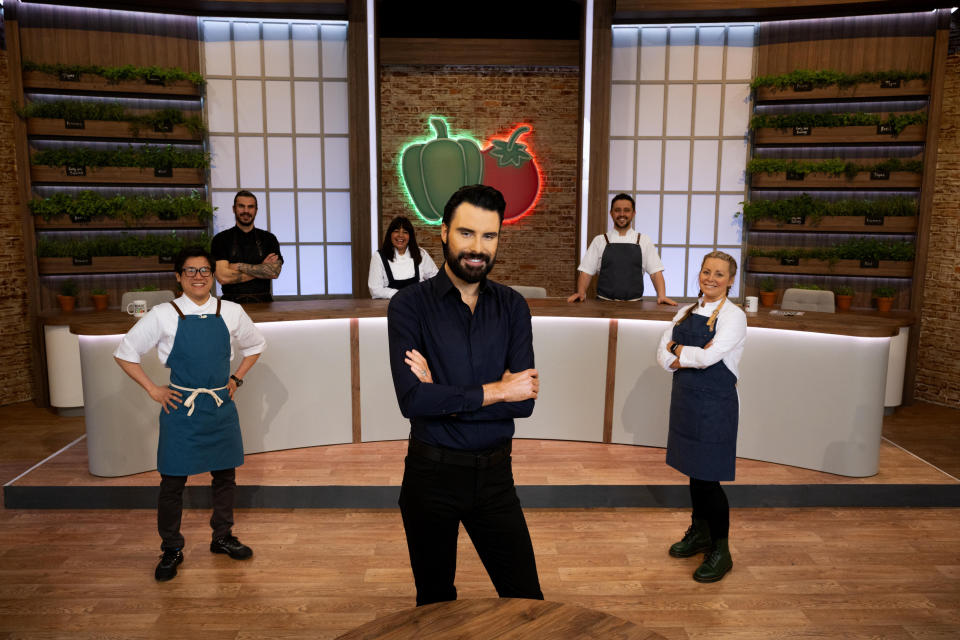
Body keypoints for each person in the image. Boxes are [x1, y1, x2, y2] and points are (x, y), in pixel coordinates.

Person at [387, 184, 543, 606]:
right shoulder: (408, 307)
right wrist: (497, 390)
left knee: (526, 600)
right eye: (467, 233)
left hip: (496, 478)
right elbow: (413, 402)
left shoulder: (513, 306)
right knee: (436, 605)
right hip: (431, 477)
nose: (478, 247)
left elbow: (525, 401)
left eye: (489, 236)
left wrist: (445, 393)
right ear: (443, 233)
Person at [114, 247, 266, 582]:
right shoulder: (163, 314)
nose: (198, 276)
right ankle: (171, 547)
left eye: (204, 271)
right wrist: (154, 389)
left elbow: (255, 345)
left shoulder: (231, 310)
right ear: (178, 276)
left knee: (225, 477)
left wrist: (236, 378)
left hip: (219, 406)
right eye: (191, 271)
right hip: (181, 407)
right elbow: (125, 353)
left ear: (213, 275)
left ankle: (222, 536)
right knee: (172, 481)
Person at [656, 250, 746, 583]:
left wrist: (677, 352)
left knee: (709, 480)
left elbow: (710, 358)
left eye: (719, 274)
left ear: (730, 280)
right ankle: (701, 533)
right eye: (706, 271)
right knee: (694, 473)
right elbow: (659, 352)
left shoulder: (734, 317)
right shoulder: (684, 312)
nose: (711, 278)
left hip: (714, 405)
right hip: (686, 401)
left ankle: (721, 550)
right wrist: (677, 356)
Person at [567, 193, 677, 305]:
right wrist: (581, 293)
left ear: (633, 213)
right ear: (611, 213)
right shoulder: (600, 240)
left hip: (635, 305)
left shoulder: (643, 240)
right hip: (603, 306)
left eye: (627, 210)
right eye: (617, 210)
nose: (622, 214)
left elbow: (655, 273)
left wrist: (662, 295)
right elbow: (586, 272)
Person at [212, 190, 283, 303]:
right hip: (230, 303)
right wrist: (261, 268)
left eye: (250, 207)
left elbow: (273, 272)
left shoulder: (269, 238)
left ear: (256, 210)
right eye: (241, 206)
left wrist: (237, 266)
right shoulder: (221, 239)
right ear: (234, 208)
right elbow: (222, 277)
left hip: (263, 303)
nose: (246, 211)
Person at [368, 215, 438, 299]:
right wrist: (402, 294)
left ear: (410, 236)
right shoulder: (379, 256)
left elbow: (436, 279)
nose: (400, 235)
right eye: (396, 231)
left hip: (417, 305)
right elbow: (375, 290)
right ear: (390, 234)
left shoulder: (420, 254)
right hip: (389, 307)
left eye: (405, 232)